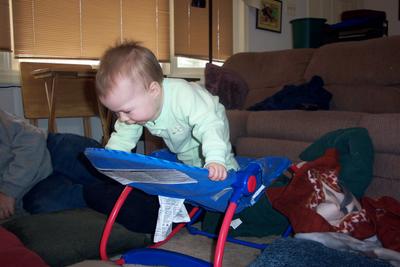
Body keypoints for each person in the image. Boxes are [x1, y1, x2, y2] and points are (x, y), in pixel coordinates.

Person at [95, 41, 239, 180]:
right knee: (191, 162)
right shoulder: (135, 109)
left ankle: (234, 176)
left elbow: (209, 125)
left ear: (154, 90)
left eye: (126, 111)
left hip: (210, 122)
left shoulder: (182, 96)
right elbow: (122, 137)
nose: (123, 118)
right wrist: (111, 160)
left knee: (219, 166)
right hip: (184, 144)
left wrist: (215, 159)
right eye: (116, 112)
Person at [0, 108, 107, 221]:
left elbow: (32, 137)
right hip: (30, 190)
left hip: (49, 148)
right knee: (52, 207)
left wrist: (9, 191)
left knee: (109, 170)